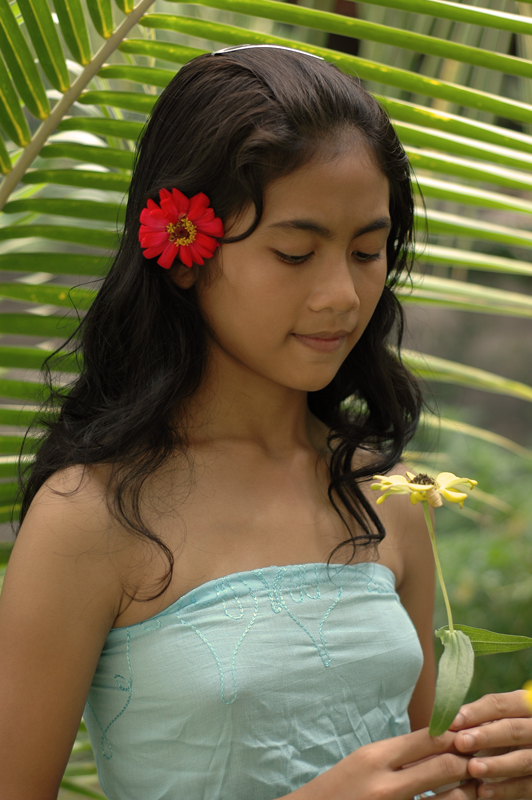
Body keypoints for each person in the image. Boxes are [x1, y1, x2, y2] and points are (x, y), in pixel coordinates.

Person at [0, 44, 531, 800]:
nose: (342, 294)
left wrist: (490, 778)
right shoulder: (90, 517)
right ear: (184, 251)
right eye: (294, 253)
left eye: (367, 251)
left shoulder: (385, 495)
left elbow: (421, 773)